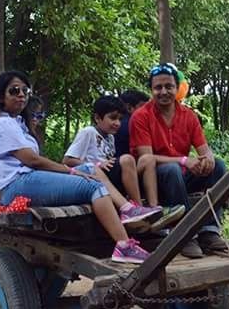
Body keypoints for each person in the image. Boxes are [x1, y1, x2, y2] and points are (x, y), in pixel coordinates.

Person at [0, 70, 150, 264]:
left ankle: (128, 209)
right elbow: (32, 160)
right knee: (93, 187)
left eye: (25, 91)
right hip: (16, 185)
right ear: (1, 96)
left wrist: (77, 170)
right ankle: (124, 246)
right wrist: (70, 171)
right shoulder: (2, 123)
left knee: (91, 170)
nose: (21, 95)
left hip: (26, 179)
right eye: (14, 91)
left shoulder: (14, 122)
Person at [130, 62, 229, 259]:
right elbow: (146, 157)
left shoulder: (189, 116)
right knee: (172, 169)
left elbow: (204, 150)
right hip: (153, 180)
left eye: (169, 86)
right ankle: (184, 236)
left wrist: (206, 159)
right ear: (151, 90)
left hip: (180, 177)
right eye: (158, 87)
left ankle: (209, 232)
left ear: (177, 88)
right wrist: (184, 160)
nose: (164, 91)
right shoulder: (141, 116)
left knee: (218, 166)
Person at [63, 95, 162, 225]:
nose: (117, 123)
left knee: (147, 160)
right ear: (97, 118)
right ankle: (135, 209)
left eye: (120, 119)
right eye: (113, 118)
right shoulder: (88, 132)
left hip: (110, 179)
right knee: (127, 159)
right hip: (94, 178)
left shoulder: (110, 137)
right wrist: (97, 164)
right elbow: (67, 160)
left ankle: (151, 205)